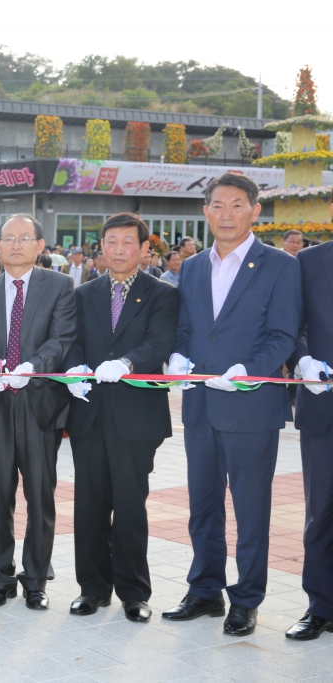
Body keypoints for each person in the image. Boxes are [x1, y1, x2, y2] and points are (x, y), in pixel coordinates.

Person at [163, 173, 301, 637]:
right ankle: (204, 590)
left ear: (255, 211)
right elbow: (187, 327)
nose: (226, 214)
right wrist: (178, 355)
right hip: (200, 405)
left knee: (250, 508)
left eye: (237, 205)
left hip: (250, 404)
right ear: (205, 212)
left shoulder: (280, 265)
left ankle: (246, 599)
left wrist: (248, 371)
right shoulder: (194, 266)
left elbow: (283, 335)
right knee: (203, 505)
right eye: (217, 205)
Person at [62, 213, 180, 623]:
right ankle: (92, 589)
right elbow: (72, 341)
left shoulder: (162, 294)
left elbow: (160, 341)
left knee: (131, 505)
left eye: (127, 242)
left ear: (144, 249)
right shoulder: (84, 293)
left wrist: (128, 362)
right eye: (110, 241)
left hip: (135, 416)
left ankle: (134, 591)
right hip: (89, 412)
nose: (117, 249)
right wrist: (74, 369)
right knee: (89, 504)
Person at [0, 214, 76, 611]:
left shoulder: (60, 286)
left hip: (40, 403)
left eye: (25, 237)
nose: (16, 244)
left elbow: (63, 338)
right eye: (8, 238)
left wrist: (32, 366)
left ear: (39, 245)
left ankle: (35, 578)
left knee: (40, 496)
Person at [284, 200, 333, 641]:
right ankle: (320, 606)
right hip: (324, 406)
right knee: (321, 513)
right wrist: (303, 361)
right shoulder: (310, 261)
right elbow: (293, 328)